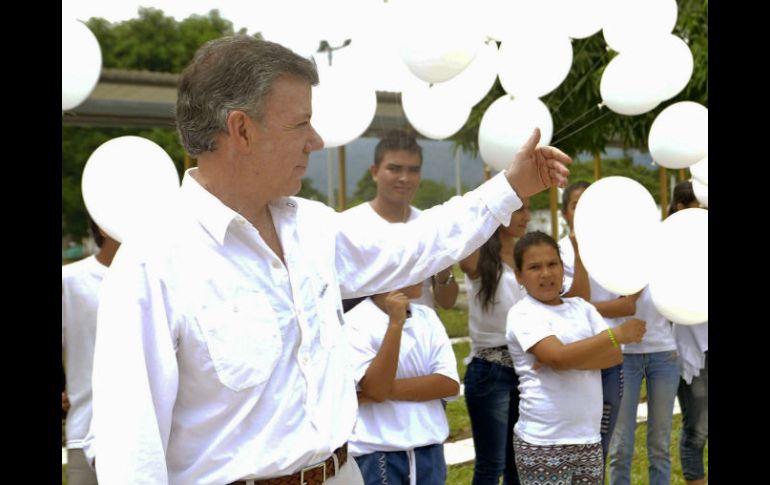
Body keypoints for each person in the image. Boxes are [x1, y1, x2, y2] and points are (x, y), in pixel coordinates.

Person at [89, 35, 571, 485]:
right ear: (241, 129)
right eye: (300, 123)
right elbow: (129, 451)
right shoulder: (154, 261)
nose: (315, 141)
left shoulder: (310, 227)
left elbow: (414, 245)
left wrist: (509, 188)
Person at [505, 231, 646, 485]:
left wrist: (565, 358)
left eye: (552, 264)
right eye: (534, 267)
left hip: (588, 439)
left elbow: (613, 357)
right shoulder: (523, 313)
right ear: (519, 276)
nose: (546, 274)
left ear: (562, 267)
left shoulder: (582, 308)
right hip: (544, 441)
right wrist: (615, 335)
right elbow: (558, 356)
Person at [558, 181, 640, 477]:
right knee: (573, 440)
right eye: (575, 204)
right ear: (565, 213)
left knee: (601, 442)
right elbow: (563, 303)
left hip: (610, 357)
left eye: (587, 203)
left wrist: (584, 306)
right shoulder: (559, 252)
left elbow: (627, 305)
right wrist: (587, 305)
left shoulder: (614, 249)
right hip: (576, 357)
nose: (581, 211)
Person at [345, 282, 460, 485]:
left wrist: (374, 392)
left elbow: (448, 383)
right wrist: (395, 325)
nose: (422, 274)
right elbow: (376, 388)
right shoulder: (354, 322)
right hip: (377, 453)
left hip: (429, 450)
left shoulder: (427, 316)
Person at [342, 129, 458, 311]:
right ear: (374, 172)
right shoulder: (349, 225)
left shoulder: (429, 225)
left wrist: (444, 271)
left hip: (423, 334)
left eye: (413, 170)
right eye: (394, 169)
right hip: (367, 337)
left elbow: (447, 302)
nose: (404, 178)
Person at [62, 216, 120, 485]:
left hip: (159, 442)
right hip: (86, 434)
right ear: (102, 226)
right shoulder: (69, 281)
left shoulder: (168, 279)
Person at [608, 288, 681, 483]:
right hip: (623, 353)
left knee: (660, 445)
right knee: (621, 445)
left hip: (664, 353)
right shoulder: (610, 263)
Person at [669, 181, 708, 485]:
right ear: (681, 208)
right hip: (692, 348)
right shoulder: (667, 248)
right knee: (697, 428)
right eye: (701, 205)